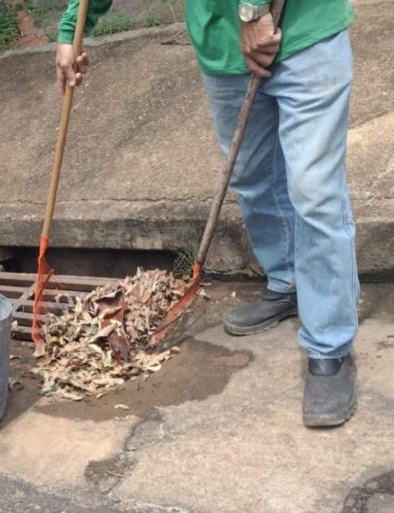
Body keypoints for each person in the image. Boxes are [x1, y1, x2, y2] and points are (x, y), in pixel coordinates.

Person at [55, 0, 358, 427]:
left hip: (304, 30)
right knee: (254, 180)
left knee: (314, 192)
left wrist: (252, 12)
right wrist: (72, 30)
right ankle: (289, 281)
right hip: (223, 47)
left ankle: (330, 346)